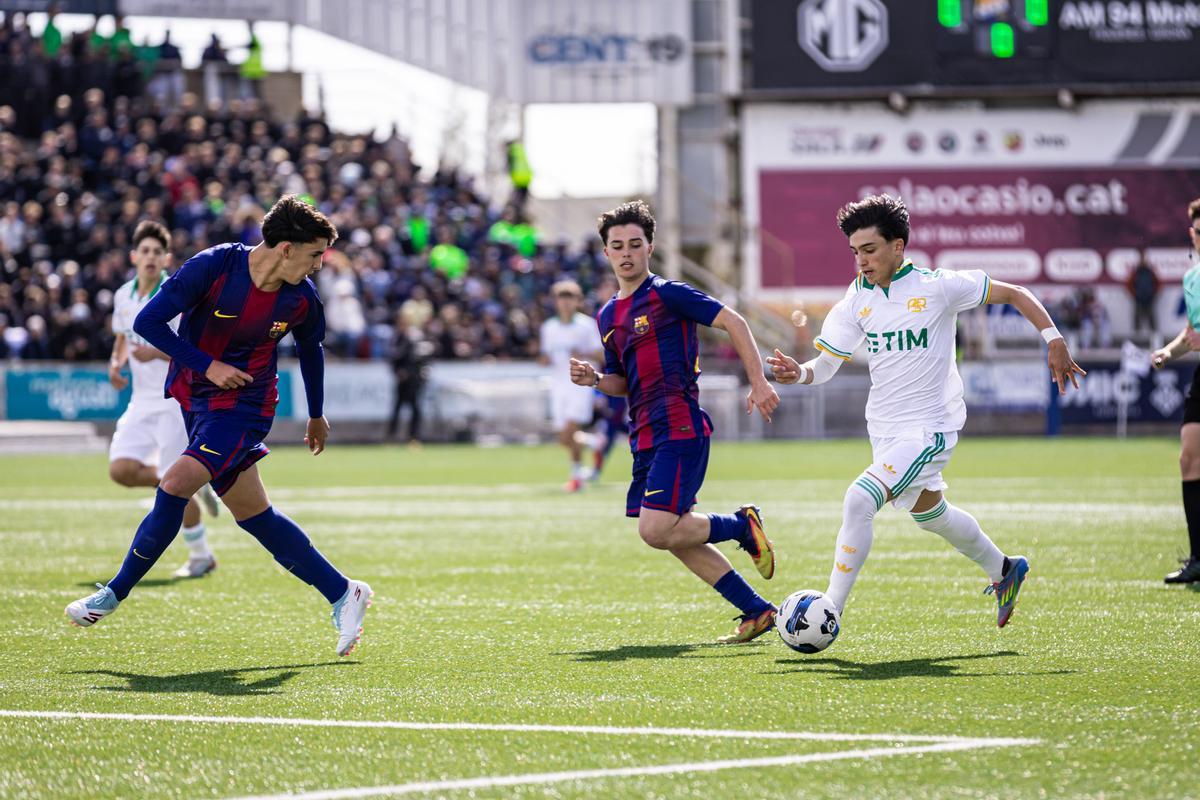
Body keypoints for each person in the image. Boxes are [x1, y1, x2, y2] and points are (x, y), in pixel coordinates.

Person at [66, 196, 373, 657]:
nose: (318, 266)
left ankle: (113, 593)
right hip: (198, 399)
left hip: (246, 407)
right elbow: (149, 322)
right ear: (286, 248)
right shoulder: (214, 267)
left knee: (174, 483)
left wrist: (315, 412)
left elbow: (311, 350)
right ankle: (343, 591)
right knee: (255, 517)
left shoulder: (302, 298)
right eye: (314, 254)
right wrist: (206, 365)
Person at [767, 194, 1085, 630]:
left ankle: (829, 612)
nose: (861, 261)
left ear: (898, 247)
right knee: (929, 513)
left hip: (930, 429)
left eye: (870, 249)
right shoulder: (857, 300)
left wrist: (1053, 338)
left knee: (859, 498)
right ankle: (1005, 568)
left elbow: (1014, 292)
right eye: (855, 252)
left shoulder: (938, 287)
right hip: (886, 431)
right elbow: (824, 367)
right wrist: (798, 375)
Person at [569, 200, 780, 644]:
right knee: (674, 535)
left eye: (635, 244)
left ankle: (742, 525)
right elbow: (622, 382)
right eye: (617, 246)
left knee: (655, 529)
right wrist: (595, 380)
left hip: (680, 426)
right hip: (643, 434)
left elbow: (735, 321)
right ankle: (757, 611)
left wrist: (757, 381)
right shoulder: (607, 316)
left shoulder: (668, 294)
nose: (626, 253)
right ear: (606, 253)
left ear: (650, 247)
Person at [108, 220, 220, 579]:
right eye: (145, 251)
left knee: (175, 485)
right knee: (121, 470)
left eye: (158, 252)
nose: (151, 257)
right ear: (134, 256)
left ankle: (201, 555)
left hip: (173, 399)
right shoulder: (123, 295)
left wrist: (157, 355)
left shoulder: (174, 294)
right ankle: (191, 484)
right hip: (140, 400)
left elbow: (194, 349)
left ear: (167, 258)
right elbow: (123, 336)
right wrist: (117, 362)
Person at [1150, 196, 1200, 584]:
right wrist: (1168, 351)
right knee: (1188, 458)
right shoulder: (1191, 279)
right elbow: (1192, 333)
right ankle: (1198, 558)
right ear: (1192, 233)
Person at [539, 280, 602, 492]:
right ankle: (592, 442)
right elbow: (546, 356)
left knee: (568, 433)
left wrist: (582, 354)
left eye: (569, 298)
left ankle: (577, 476)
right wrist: (544, 360)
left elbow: (602, 354)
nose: (565, 303)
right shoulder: (549, 327)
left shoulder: (587, 325)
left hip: (580, 385)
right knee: (564, 437)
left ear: (577, 301)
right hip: (558, 386)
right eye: (561, 298)